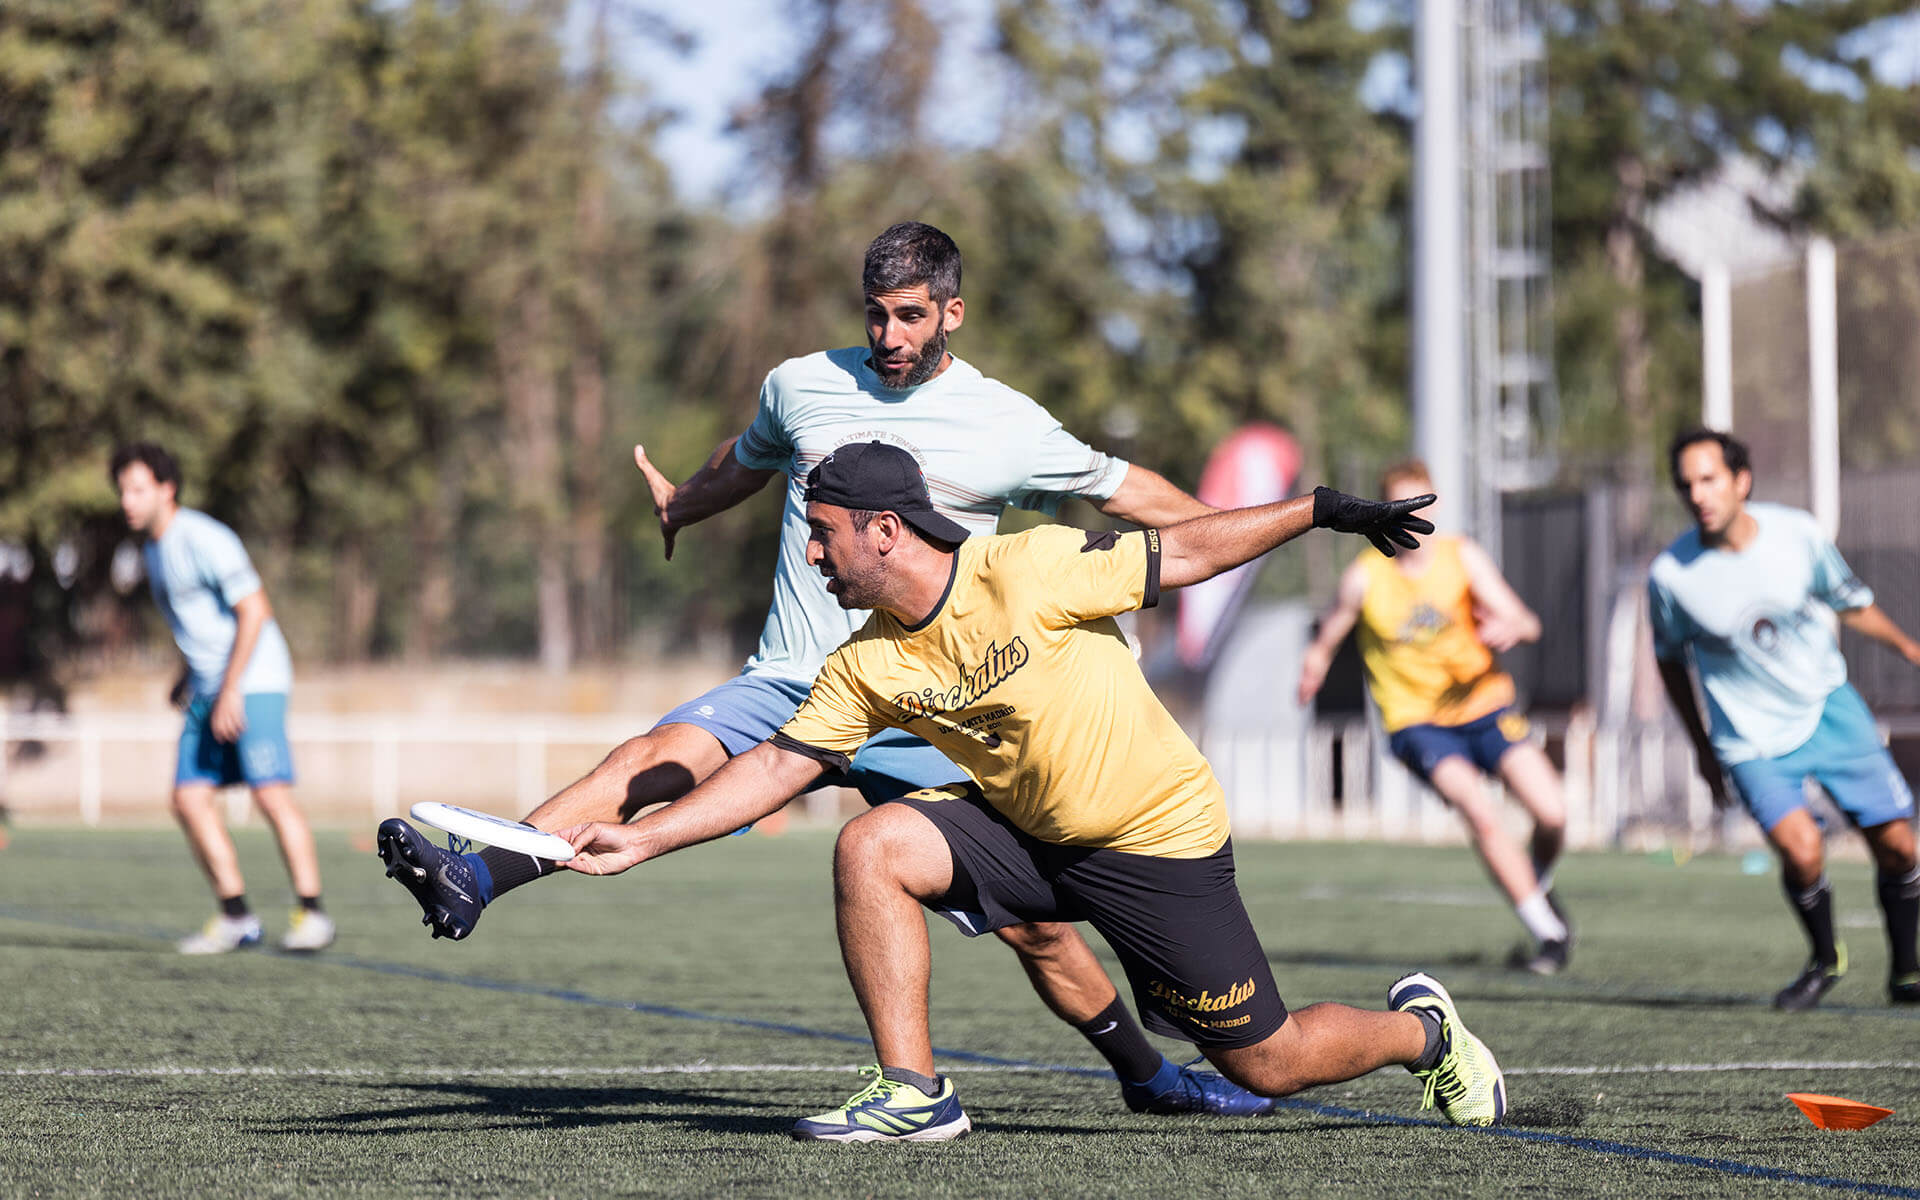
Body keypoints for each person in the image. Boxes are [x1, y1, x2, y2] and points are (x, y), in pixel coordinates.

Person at [377, 221, 1276, 1116]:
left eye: (911, 316)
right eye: (876, 314)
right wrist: (685, 503)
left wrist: (1240, 537)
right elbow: (748, 457)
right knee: (650, 759)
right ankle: (475, 878)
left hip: (932, 699)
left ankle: (1150, 1078)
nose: (890, 335)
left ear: (952, 313)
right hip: (796, 678)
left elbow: (1129, 492)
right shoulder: (801, 384)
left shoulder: (1008, 423)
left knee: (1037, 930)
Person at [553, 442, 1502, 1142]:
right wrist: (647, 836)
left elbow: (1187, 552)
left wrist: (1321, 510)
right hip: (1031, 835)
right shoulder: (864, 662)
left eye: (823, 534)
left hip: (1156, 842)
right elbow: (772, 769)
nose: (811, 556)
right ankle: (914, 1094)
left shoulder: (1028, 566)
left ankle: (1424, 1035)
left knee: (1270, 1062)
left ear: (884, 531)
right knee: (873, 845)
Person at [1651, 429, 1920, 1011]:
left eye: (1709, 480)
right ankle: (1825, 959)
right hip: (1749, 739)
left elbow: (1851, 602)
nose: (1697, 495)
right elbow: (1670, 662)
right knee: (1801, 851)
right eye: (1686, 484)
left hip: (1827, 707)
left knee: (1900, 847)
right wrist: (1701, 746)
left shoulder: (1796, 534)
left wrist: (1908, 647)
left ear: (1741, 481)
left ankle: (1906, 970)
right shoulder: (1671, 575)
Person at [1297, 460, 1572, 973]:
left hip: (1486, 706)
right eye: (1401, 506)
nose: (1413, 515)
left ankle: (1535, 881)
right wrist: (1313, 665)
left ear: (1434, 505)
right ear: (1383, 511)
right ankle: (1550, 934)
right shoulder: (1366, 577)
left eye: (1420, 503)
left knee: (1552, 813)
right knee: (1478, 809)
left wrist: (1512, 627)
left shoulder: (1462, 557)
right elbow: (1329, 634)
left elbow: (1526, 621)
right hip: (1417, 723)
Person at [111, 442, 335, 955]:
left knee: (269, 793)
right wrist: (185, 676)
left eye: (138, 489)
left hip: (254, 679)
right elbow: (198, 626)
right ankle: (237, 917)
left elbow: (255, 611)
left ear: (167, 489)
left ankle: (313, 914)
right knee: (188, 798)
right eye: (122, 491)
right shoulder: (152, 550)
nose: (127, 501)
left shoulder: (204, 538)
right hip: (209, 684)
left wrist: (232, 687)